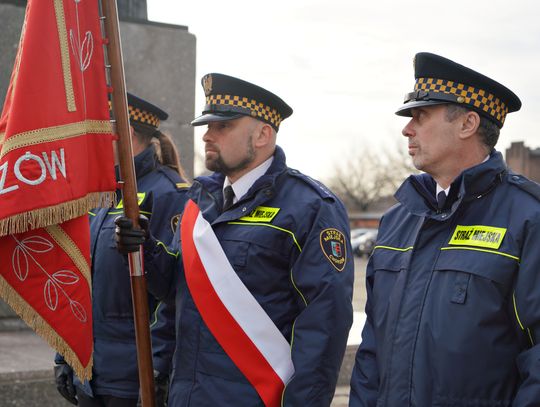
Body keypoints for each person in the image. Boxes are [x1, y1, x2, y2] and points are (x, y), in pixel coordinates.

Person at [116, 73, 354, 406]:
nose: (207, 136)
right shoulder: (199, 200)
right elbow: (178, 295)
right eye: (207, 126)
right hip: (189, 395)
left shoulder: (309, 207)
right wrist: (146, 249)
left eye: (223, 126)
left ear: (262, 135)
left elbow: (324, 326)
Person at [349, 52, 540, 406]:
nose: (407, 129)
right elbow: (372, 349)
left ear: (467, 124)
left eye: (420, 116)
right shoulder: (397, 221)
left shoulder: (528, 218)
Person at [54, 93, 190, 407]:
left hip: (133, 381)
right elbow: (79, 281)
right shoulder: (102, 193)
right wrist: (65, 354)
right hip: (89, 375)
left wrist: (157, 370)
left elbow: (176, 294)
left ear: (124, 133)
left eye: (98, 128)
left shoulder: (170, 195)